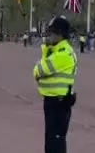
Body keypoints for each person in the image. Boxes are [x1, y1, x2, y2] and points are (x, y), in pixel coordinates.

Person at [34, 15, 77, 153]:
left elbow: (38, 70)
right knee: (51, 140)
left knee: (56, 141)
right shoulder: (57, 51)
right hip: (53, 101)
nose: (49, 35)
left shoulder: (63, 53)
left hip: (59, 103)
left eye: (52, 32)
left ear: (60, 34)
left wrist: (45, 52)